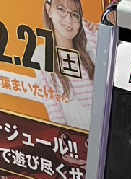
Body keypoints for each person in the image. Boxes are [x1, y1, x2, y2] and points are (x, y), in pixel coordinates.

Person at [36, 0, 97, 130]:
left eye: (75, 14)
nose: (68, 20)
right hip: (72, 137)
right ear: (49, 10)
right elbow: (52, 106)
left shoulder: (89, 52)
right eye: (61, 10)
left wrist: (98, 31)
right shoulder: (42, 55)